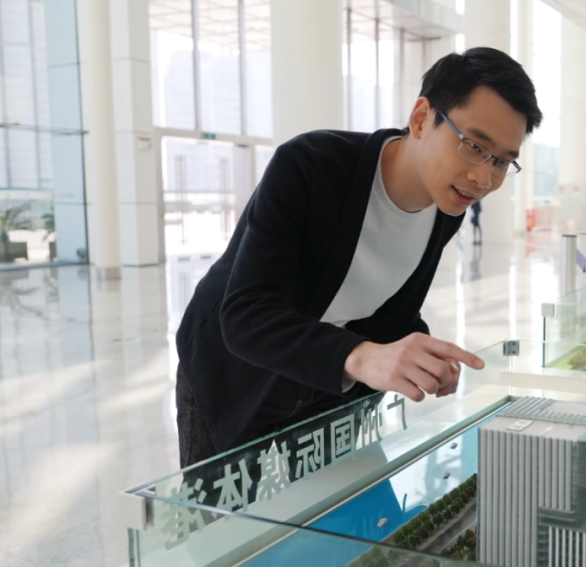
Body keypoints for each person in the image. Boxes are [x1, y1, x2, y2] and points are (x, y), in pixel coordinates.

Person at [174, 47, 542, 468]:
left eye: (502, 162)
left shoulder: (447, 208)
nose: (484, 178)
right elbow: (245, 315)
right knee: (225, 509)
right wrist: (362, 356)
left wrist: (416, 349)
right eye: (474, 147)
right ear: (422, 118)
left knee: (341, 502)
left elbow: (387, 304)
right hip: (234, 368)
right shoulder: (310, 165)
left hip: (333, 379)